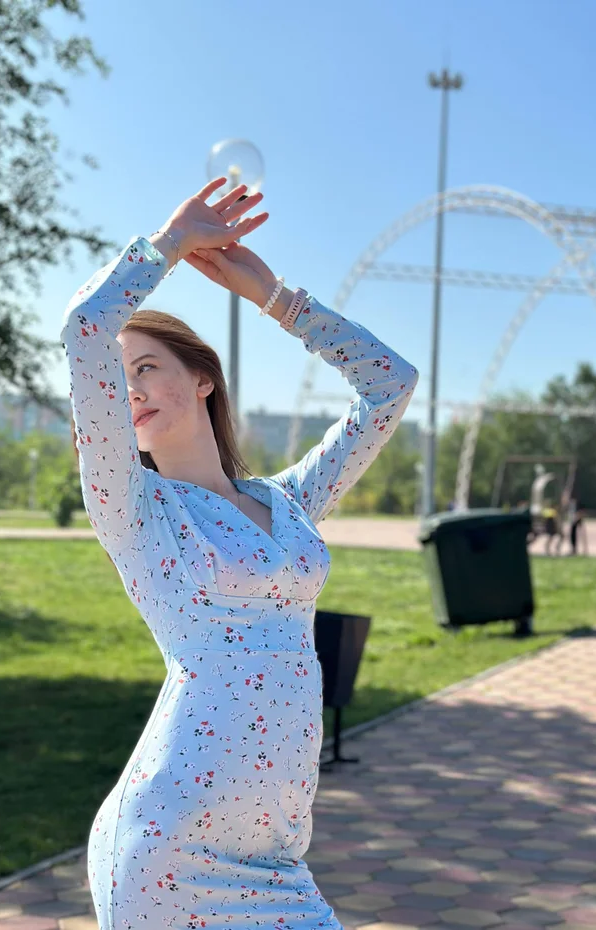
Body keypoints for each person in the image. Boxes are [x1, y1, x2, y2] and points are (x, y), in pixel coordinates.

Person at [60, 178, 419, 930]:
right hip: (168, 848)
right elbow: (86, 329)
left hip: (277, 852)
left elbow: (390, 387)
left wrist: (276, 298)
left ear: (202, 378)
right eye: (117, 383)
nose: (129, 391)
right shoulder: (135, 508)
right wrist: (168, 244)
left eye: (145, 368)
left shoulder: (289, 503)